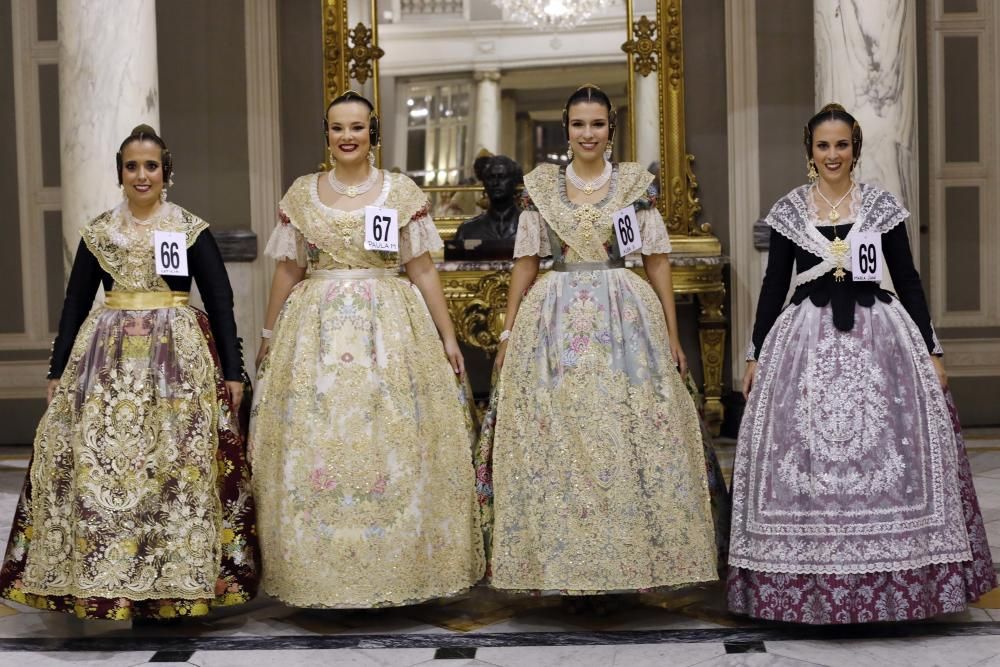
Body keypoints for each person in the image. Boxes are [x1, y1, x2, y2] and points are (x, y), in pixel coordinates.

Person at [728, 103, 996, 623]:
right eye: (824, 146)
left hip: (881, 339)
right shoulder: (789, 211)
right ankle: (806, 574)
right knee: (804, 452)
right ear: (810, 150)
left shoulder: (880, 208)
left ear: (855, 149)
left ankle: (899, 576)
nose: (833, 155)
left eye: (842, 145)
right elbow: (773, 287)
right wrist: (756, 352)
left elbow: (909, 280)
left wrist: (932, 350)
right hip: (802, 342)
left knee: (887, 448)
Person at [0, 125, 258, 620]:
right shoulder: (99, 232)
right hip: (107, 363)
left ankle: (176, 584)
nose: (142, 175)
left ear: (167, 172)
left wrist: (234, 370)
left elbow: (220, 300)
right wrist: (57, 369)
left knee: (177, 467)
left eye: (151, 166)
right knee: (106, 465)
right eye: (132, 166)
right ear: (120, 172)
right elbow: (76, 301)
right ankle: (108, 579)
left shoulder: (189, 228)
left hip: (177, 364)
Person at [479, 85, 720, 597]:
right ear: (566, 129)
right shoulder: (540, 187)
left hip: (624, 316)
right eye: (578, 124)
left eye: (597, 124)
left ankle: (629, 562)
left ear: (612, 129)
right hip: (554, 320)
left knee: (623, 428)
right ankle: (562, 566)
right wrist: (508, 330)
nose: (588, 133)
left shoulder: (635, 186)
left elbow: (655, 261)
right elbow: (525, 261)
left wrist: (673, 338)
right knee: (559, 432)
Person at [250, 91, 484, 608]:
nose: (347, 137)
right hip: (317, 331)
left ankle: (401, 569)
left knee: (395, 439)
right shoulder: (303, 194)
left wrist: (447, 337)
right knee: (317, 441)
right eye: (337, 128)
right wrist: (267, 337)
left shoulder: (399, 192)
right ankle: (318, 576)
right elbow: (288, 270)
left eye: (356, 127)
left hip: (391, 327)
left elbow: (422, 268)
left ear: (372, 132)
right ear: (327, 133)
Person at [453, 155, 523, 244]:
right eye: (491, 177)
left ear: (515, 181)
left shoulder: (532, 228)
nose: (496, 183)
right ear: (484, 183)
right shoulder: (467, 231)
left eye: (502, 177)